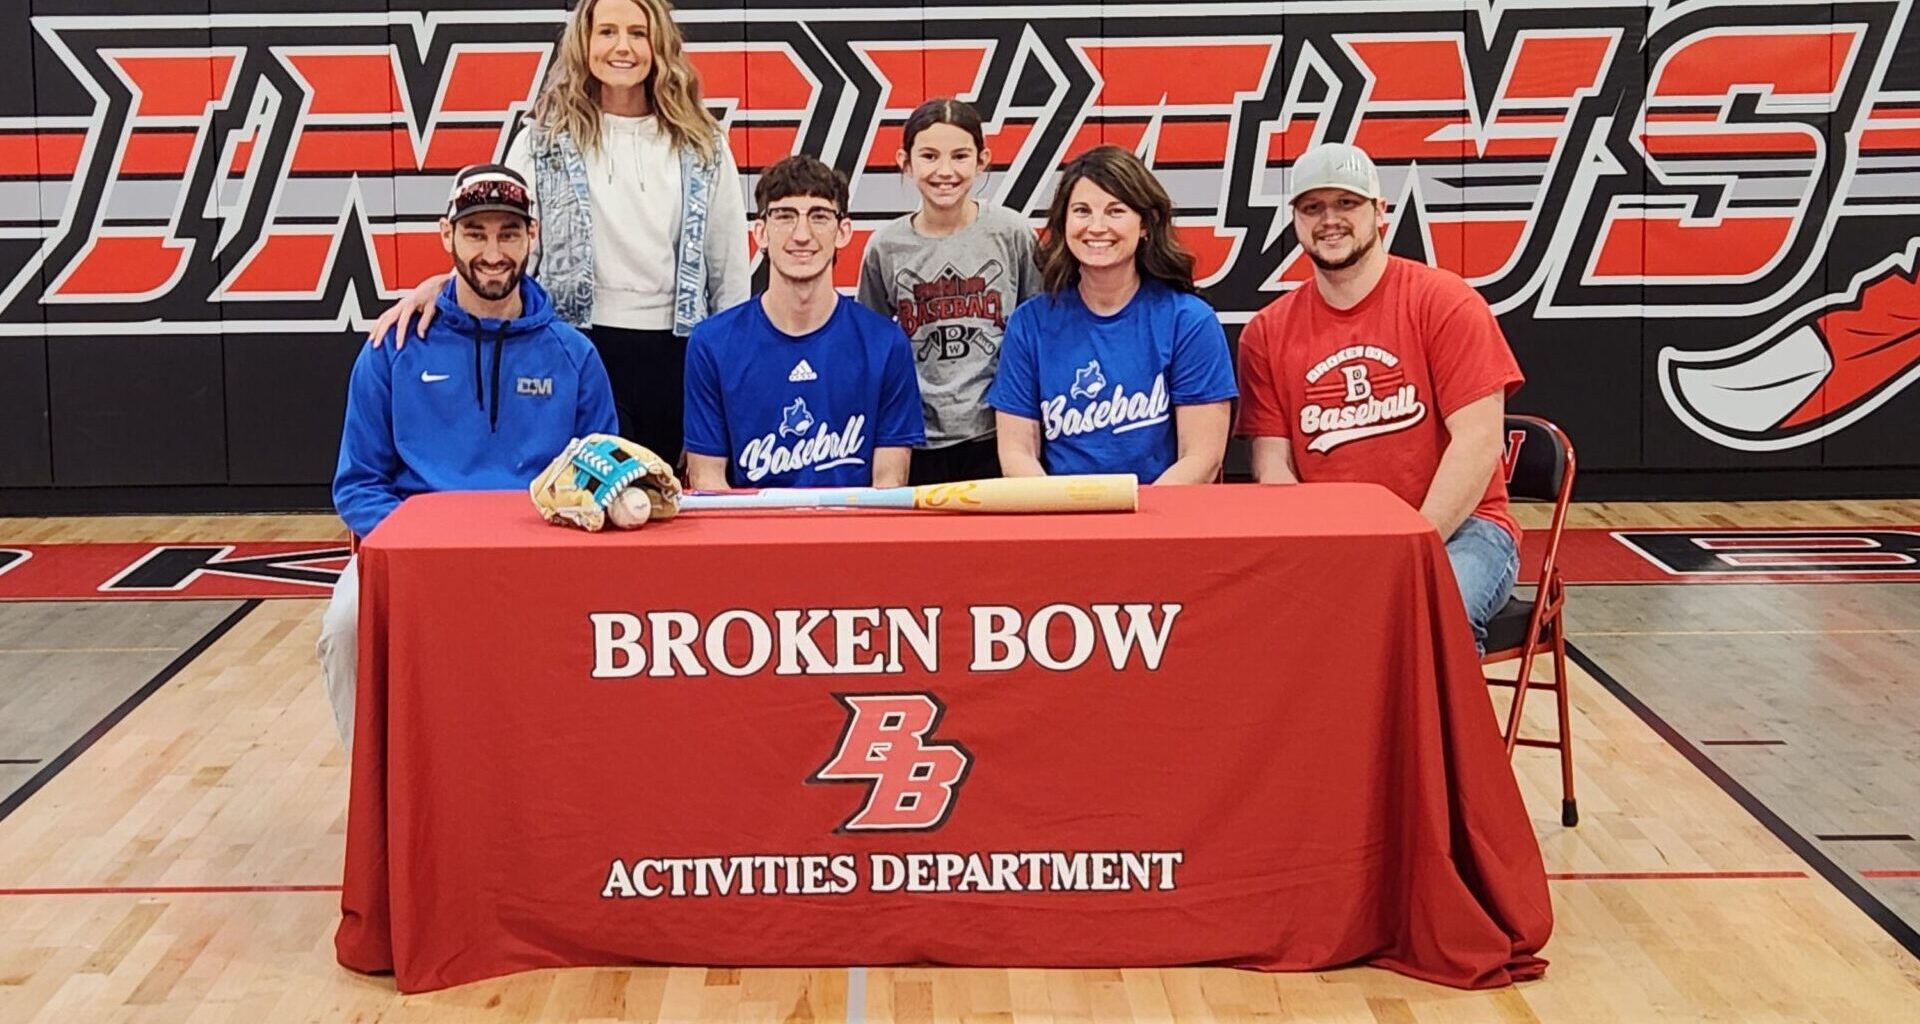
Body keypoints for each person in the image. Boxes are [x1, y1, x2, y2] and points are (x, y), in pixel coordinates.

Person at [366, 0, 748, 464]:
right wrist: (440, 286)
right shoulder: (541, 139)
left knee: (662, 505)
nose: (622, 47)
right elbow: (502, 238)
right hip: (575, 345)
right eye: (606, 32)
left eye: (637, 33)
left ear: (660, 44)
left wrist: (726, 383)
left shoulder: (704, 144)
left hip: (681, 355)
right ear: (584, 43)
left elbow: (729, 274)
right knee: (594, 505)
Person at [319, 164, 618, 751]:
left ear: (532, 238)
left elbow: (597, 474)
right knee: (346, 627)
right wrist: (426, 549)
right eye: (475, 232)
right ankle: (378, 792)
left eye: (508, 234)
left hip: (540, 560)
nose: (492, 251)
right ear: (445, 235)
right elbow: (357, 486)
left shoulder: (574, 356)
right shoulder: (393, 348)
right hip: (413, 558)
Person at [1235, 142, 1525, 653]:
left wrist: (1410, 542)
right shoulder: (1267, 332)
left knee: (1430, 615)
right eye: (1313, 207)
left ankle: (1445, 738)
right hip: (1336, 539)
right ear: (1296, 221)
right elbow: (1272, 467)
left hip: (1461, 532)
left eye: (1346, 203)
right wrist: (1324, 546)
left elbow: (1478, 443)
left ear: (1380, 211)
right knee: (1261, 623)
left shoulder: (1446, 302)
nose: (1330, 220)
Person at [985, 146, 1236, 483]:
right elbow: (1016, 453)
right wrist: (1058, 517)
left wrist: (1139, 526)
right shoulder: (1029, 324)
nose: (1097, 226)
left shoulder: (1188, 321)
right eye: (1082, 211)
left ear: (1146, 224)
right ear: (1064, 222)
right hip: (1062, 520)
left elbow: (1202, 458)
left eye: (1116, 211)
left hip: (1161, 521)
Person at [682, 155, 925, 490]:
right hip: (755, 538)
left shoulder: (884, 343)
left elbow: (889, 483)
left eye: (819, 216)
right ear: (760, 232)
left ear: (843, 231)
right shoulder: (712, 343)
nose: (801, 234)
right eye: (784, 216)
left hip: (850, 536)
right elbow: (707, 480)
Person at [857, 98, 1041, 484]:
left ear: (982, 160)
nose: (945, 171)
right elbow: (871, 347)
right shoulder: (885, 247)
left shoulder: (1012, 233)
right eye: (929, 156)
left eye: (960, 156)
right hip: (916, 437)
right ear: (905, 162)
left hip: (997, 434)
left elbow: (1039, 332)